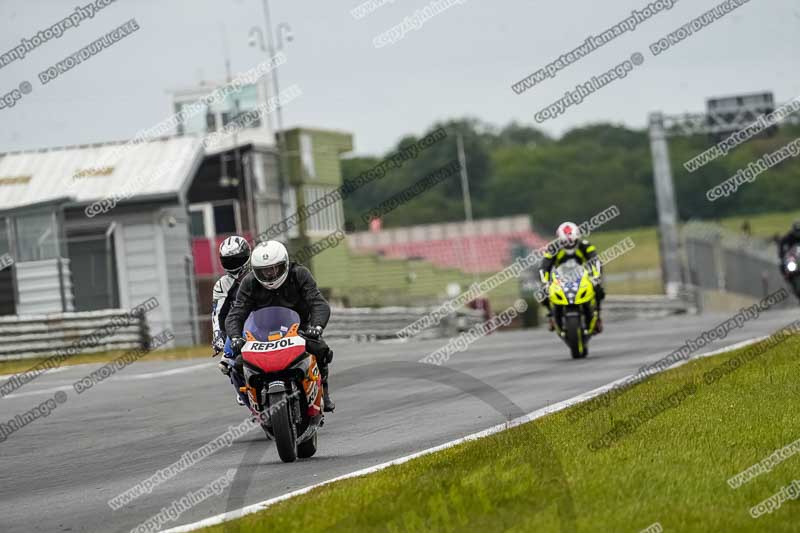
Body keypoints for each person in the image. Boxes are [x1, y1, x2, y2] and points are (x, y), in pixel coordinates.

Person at [225, 240, 335, 412]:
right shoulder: (249, 283)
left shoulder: (299, 274)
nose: (270, 274)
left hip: (299, 330)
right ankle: (255, 402)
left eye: (274, 268)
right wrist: (236, 337)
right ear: (255, 271)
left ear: (285, 263)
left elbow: (318, 303)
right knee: (238, 364)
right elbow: (236, 313)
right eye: (264, 271)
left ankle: (324, 392)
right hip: (261, 334)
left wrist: (317, 327)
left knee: (320, 349)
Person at [538, 221, 605, 333]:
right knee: (542, 293)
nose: (569, 245)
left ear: (577, 237)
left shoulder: (585, 245)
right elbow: (545, 265)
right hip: (561, 279)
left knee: (598, 289)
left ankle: (597, 316)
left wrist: (596, 277)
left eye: (571, 241)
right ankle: (551, 316)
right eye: (565, 242)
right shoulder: (553, 248)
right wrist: (545, 282)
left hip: (583, 277)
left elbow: (595, 260)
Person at [212, 236, 252, 406]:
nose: (233, 263)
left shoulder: (259, 274)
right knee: (226, 363)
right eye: (228, 260)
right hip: (239, 326)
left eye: (236, 259)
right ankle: (241, 386)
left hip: (266, 321)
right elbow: (217, 313)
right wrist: (218, 336)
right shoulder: (222, 285)